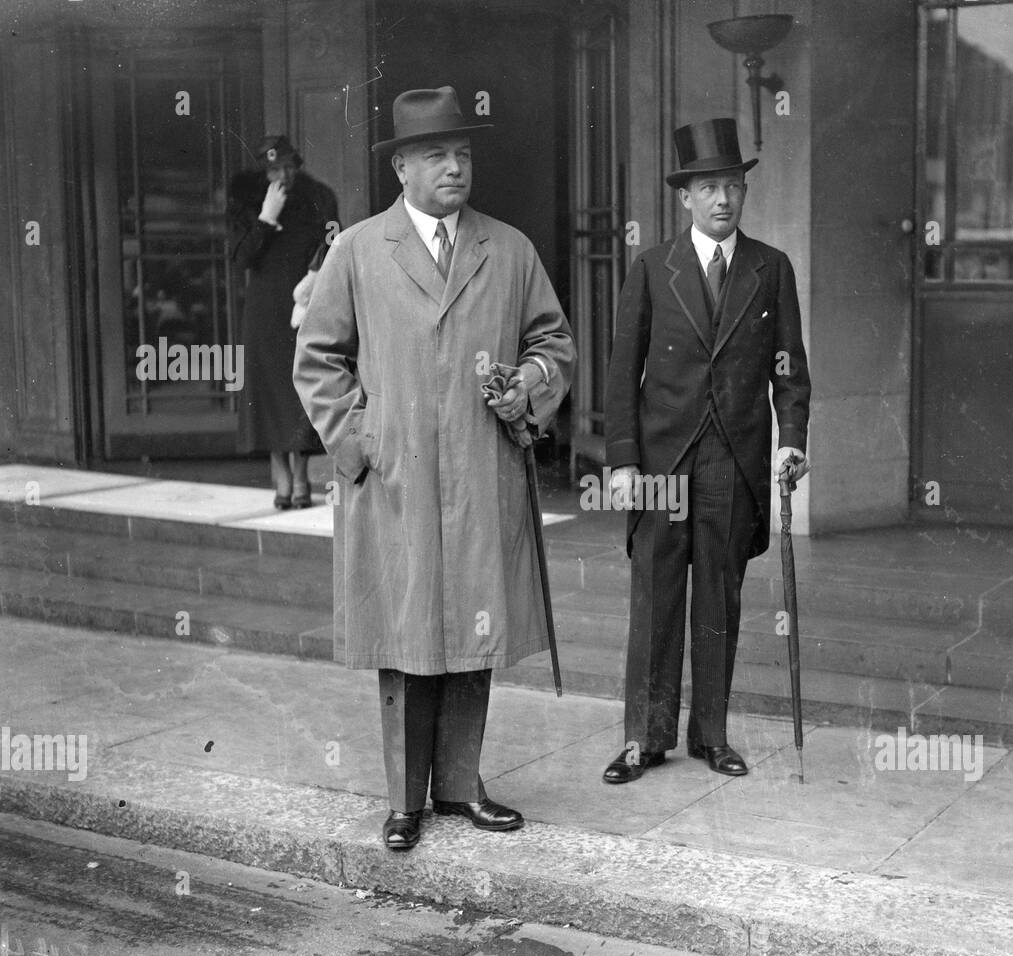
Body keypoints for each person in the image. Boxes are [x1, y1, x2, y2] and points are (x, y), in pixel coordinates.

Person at [293, 87, 574, 850]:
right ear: (403, 169)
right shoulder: (356, 250)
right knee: (406, 635)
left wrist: (528, 388)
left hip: (482, 474)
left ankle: (460, 785)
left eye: (464, 154)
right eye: (438, 155)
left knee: (472, 630)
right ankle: (403, 799)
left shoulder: (508, 249)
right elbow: (317, 360)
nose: (456, 168)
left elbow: (554, 344)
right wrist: (363, 443)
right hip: (397, 478)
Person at [602, 117, 812, 784]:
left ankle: (711, 736)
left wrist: (791, 441)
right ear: (684, 197)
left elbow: (790, 369)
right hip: (663, 461)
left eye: (732, 186)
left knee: (718, 598)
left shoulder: (770, 269)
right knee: (656, 596)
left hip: (732, 458)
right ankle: (644, 736)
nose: (722, 199)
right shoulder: (651, 268)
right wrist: (624, 461)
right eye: (708, 187)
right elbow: (620, 371)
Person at [229, 135, 337, 509]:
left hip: (304, 305)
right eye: (274, 169)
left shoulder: (319, 196)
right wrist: (265, 217)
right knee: (269, 391)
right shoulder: (248, 201)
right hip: (263, 310)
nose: (282, 174)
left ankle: (302, 473)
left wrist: (314, 277)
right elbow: (242, 259)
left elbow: (332, 245)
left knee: (301, 388)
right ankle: (281, 473)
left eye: (287, 166)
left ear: (297, 164)